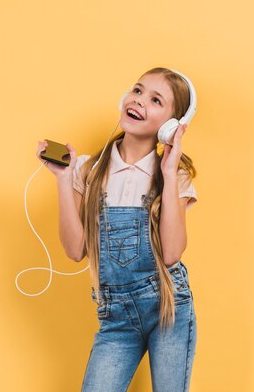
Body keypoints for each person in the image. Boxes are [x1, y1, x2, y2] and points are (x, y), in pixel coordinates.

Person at [35, 67, 198, 391]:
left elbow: (171, 253)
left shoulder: (174, 176)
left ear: (170, 126)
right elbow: (74, 250)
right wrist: (64, 182)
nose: (139, 101)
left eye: (155, 99)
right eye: (137, 91)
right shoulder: (89, 169)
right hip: (116, 315)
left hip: (168, 308)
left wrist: (167, 171)